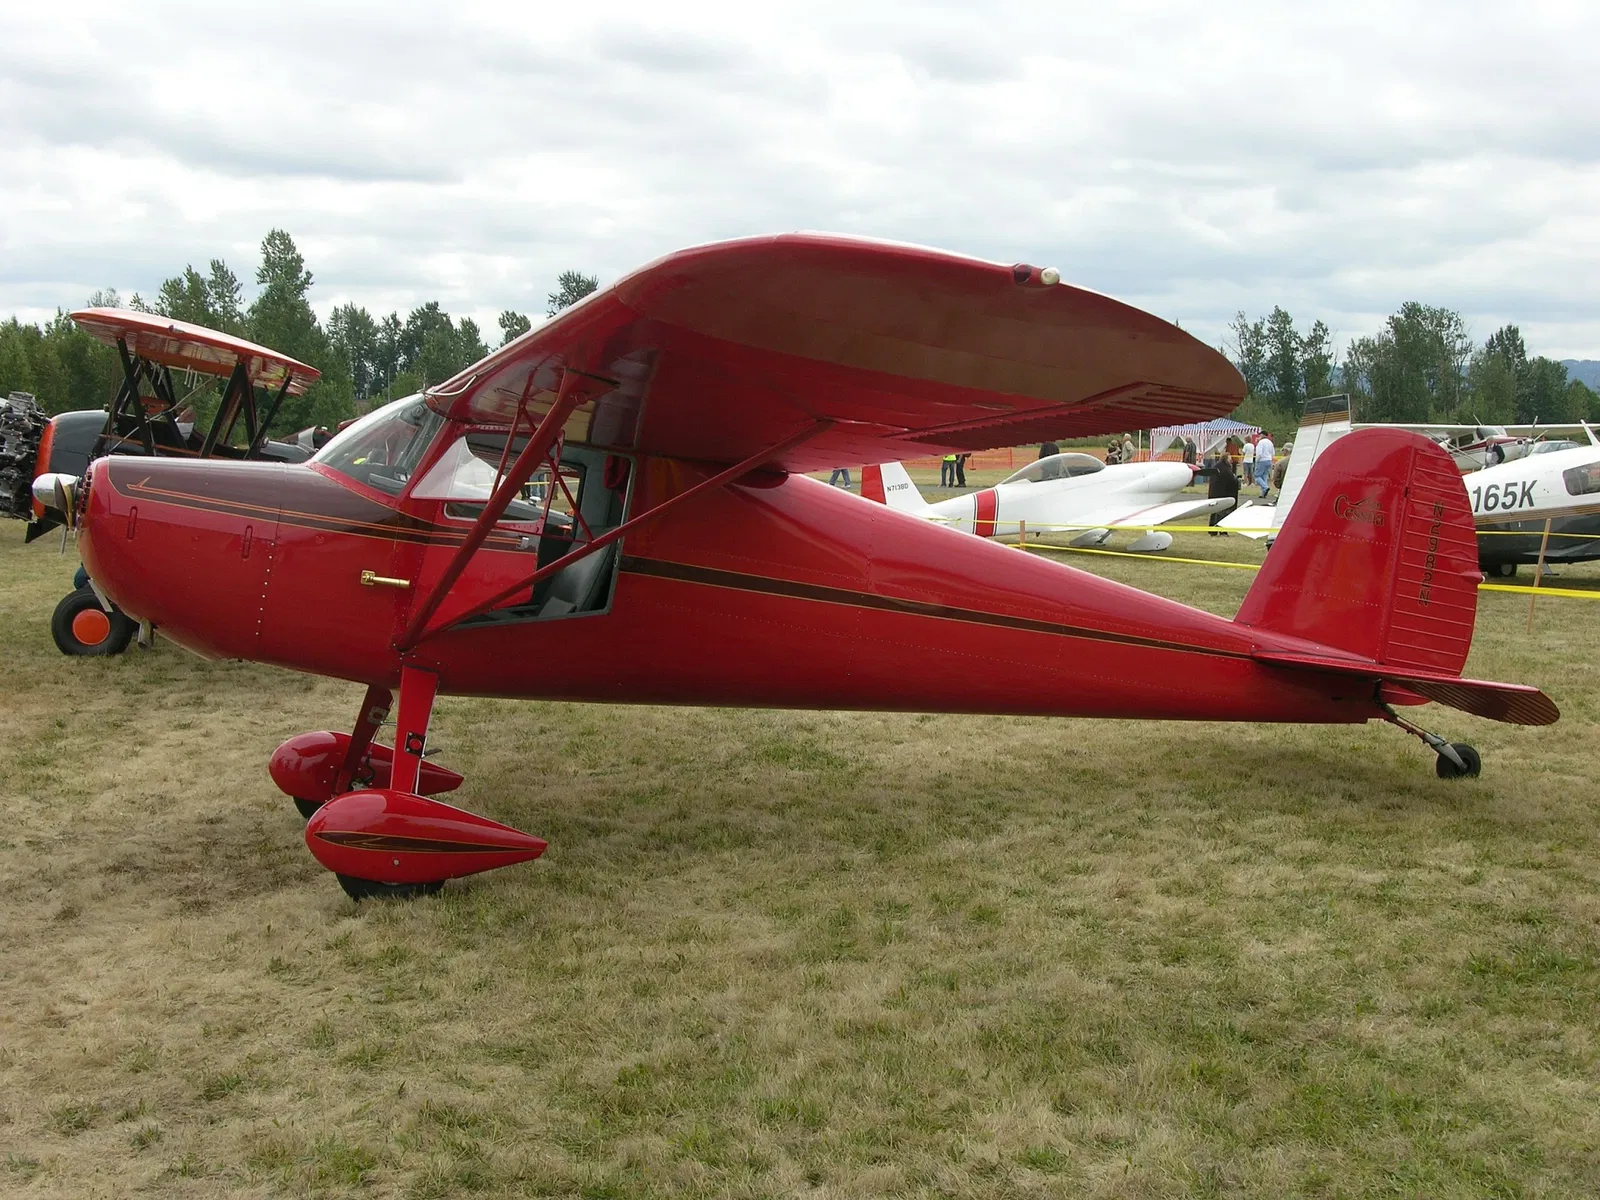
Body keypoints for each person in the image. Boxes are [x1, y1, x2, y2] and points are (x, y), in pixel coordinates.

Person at [1208, 439, 1241, 533]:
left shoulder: (1218, 467)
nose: (1231, 460)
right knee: (1222, 513)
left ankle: (1212, 530)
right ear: (1226, 459)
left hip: (1215, 493)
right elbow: (1231, 480)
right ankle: (1221, 530)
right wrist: (1236, 480)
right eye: (1229, 458)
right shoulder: (1226, 469)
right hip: (1222, 494)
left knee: (1215, 512)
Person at [1254, 432, 1274, 497]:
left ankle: (1265, 487)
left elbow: (1259, 453)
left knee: (1257, 476)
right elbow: (1273, 453)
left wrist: (1257, 461)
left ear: (1262, 435)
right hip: (1269, 460)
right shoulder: (1270, 442)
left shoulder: (1261, 442)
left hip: (1262, 460)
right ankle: (1263, 493)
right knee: (1264, 476)